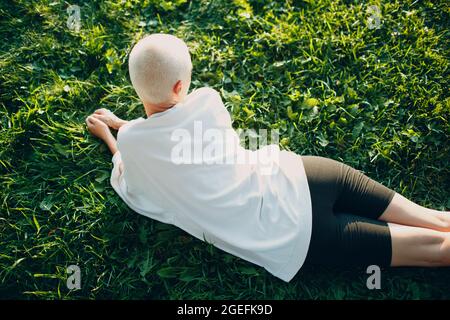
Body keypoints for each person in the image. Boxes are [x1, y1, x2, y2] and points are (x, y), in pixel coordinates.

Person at [85, 33, 450, 282]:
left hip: (299, 234)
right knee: (434, 219)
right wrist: (123, 126)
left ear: (135, 86)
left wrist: (113, 134)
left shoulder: (133, 143)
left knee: (437, 249)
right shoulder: (208, 104)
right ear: (182, 87)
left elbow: (131, 177)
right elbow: (166, 129)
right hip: (310, 175)